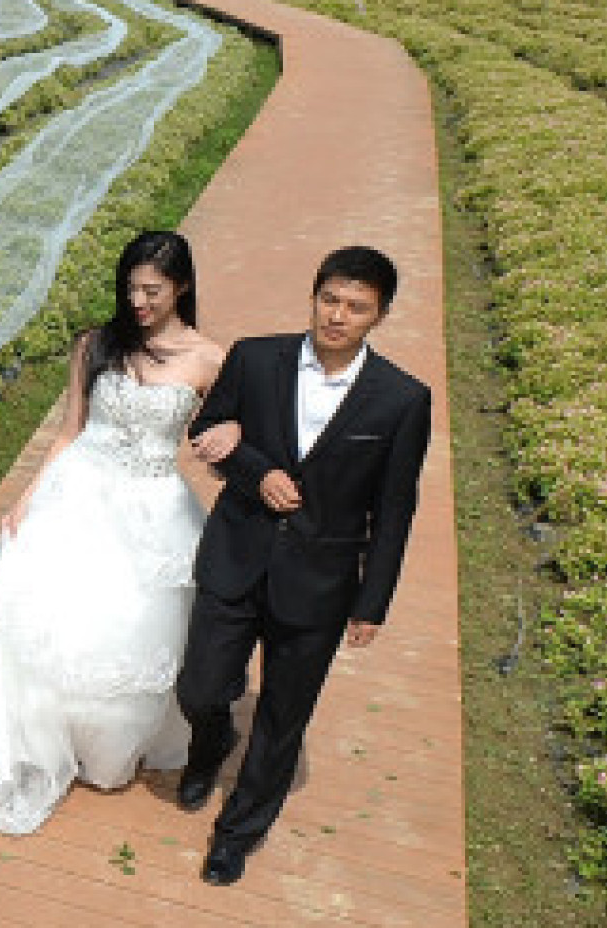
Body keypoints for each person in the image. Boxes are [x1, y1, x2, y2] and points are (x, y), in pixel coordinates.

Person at [0, 230, 229, 835]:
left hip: (155, 507)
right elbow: (68, 431)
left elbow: (222, 440)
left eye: (152, 291)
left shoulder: (209, 358)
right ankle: (40, 738)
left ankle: (103, 744)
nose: (139, 303)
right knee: (55, 618)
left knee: (130, 623)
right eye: (130, 289)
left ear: (181, 286)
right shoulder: (95, 344)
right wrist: (27, 497)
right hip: (79, 491)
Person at [172, 245, 432, 886]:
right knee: (201, 688)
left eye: (356, 307)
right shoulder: (256, 358)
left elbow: (395, 511)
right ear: (314, 296)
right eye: (330, 299)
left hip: (321, 580)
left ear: (380, 315)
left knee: (284, 716)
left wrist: (373, 601)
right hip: (236, 554)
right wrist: (256, 470)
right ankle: (209, 747)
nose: (337, 316)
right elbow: (208, 426)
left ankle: (238, 832)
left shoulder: (402, 400)